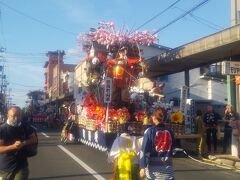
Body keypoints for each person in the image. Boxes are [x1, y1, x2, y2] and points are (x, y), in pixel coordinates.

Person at [0, 106, 37, 180]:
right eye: (13, 116)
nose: (16, 118)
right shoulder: (2, 129)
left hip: (21, 166)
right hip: (5, 168)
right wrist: (13, 146)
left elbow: (34, 139)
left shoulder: (25, 126)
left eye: (19, 115)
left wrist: (24, 143)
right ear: (8, 116)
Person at [139, 108, 175, 180]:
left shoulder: (149, 131)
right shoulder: (170, 132)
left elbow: (144, 150)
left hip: (153, 173)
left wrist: (142, 167)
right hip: (168, 172)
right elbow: (173, 149)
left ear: (154, 118)